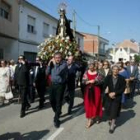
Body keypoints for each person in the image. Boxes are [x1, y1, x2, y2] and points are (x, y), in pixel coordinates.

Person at [47, 52, 68, 128]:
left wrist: (54, 64)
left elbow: (57, 72)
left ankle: (56, 119)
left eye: (59, 57)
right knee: (51, 100)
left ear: (61, 58)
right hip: (52, 85)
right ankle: (57, 112)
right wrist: (49, 65)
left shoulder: (64, 64)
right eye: (56, 58)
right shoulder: (52, 64)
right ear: (54, 58)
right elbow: (47, 72)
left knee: (58, 102)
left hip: (60, 85)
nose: (57, 59)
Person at [103, 65, 126, 133]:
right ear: (112, 70)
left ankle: (112, 126)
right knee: (109, 110)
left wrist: (115, 93)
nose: (115, 70)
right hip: (108, 97)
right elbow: (104, 86)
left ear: (118, 70)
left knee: (114, 111)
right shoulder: (108, 77)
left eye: (117, 69)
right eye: (114, 69)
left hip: (117, 97)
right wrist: (108, 93)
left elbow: (123, 88)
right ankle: (110, 120)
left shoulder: (122, 78)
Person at [83, 60, 103, 128]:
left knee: (96, 103)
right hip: (88, 90)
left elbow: (101, 81)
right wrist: (88, 81)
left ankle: (97, 116)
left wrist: (95, 81)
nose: (90, 66)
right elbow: (83, 81)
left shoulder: (98, 73)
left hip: (96, 90)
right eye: (89, 65)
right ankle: (89, 120)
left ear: (94, 66)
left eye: (92, 65)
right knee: (88, 105)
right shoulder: (86, 72)